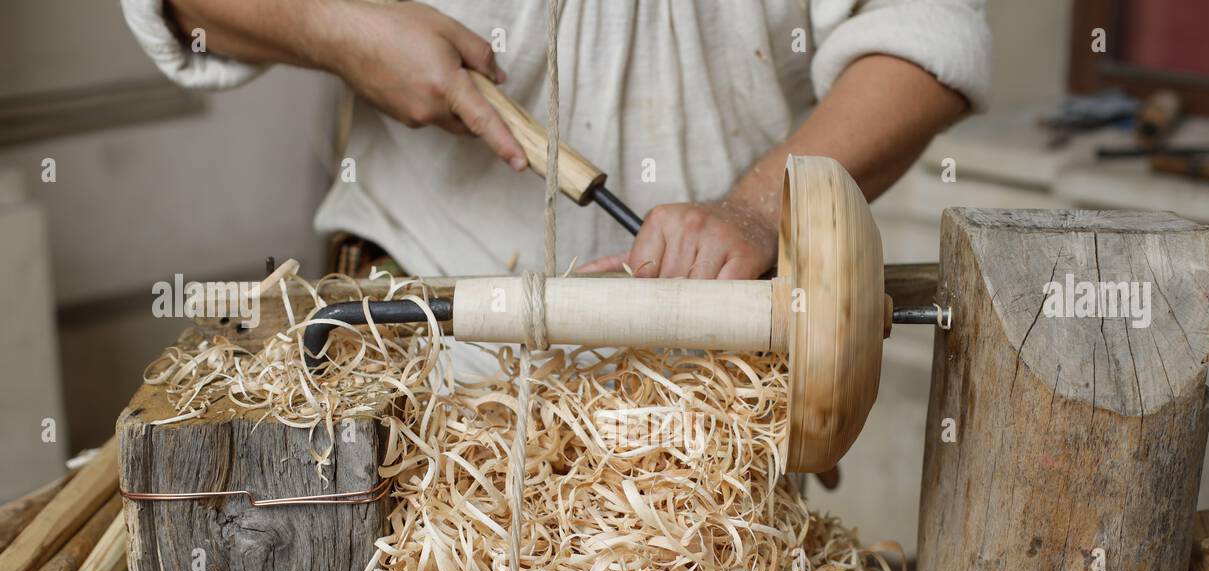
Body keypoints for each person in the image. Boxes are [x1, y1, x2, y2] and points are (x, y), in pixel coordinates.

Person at [123, 0, 989, 377]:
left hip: (718, 371)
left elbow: (929, 32)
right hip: (421, 330)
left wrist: (764, 208)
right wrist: (346, 32)